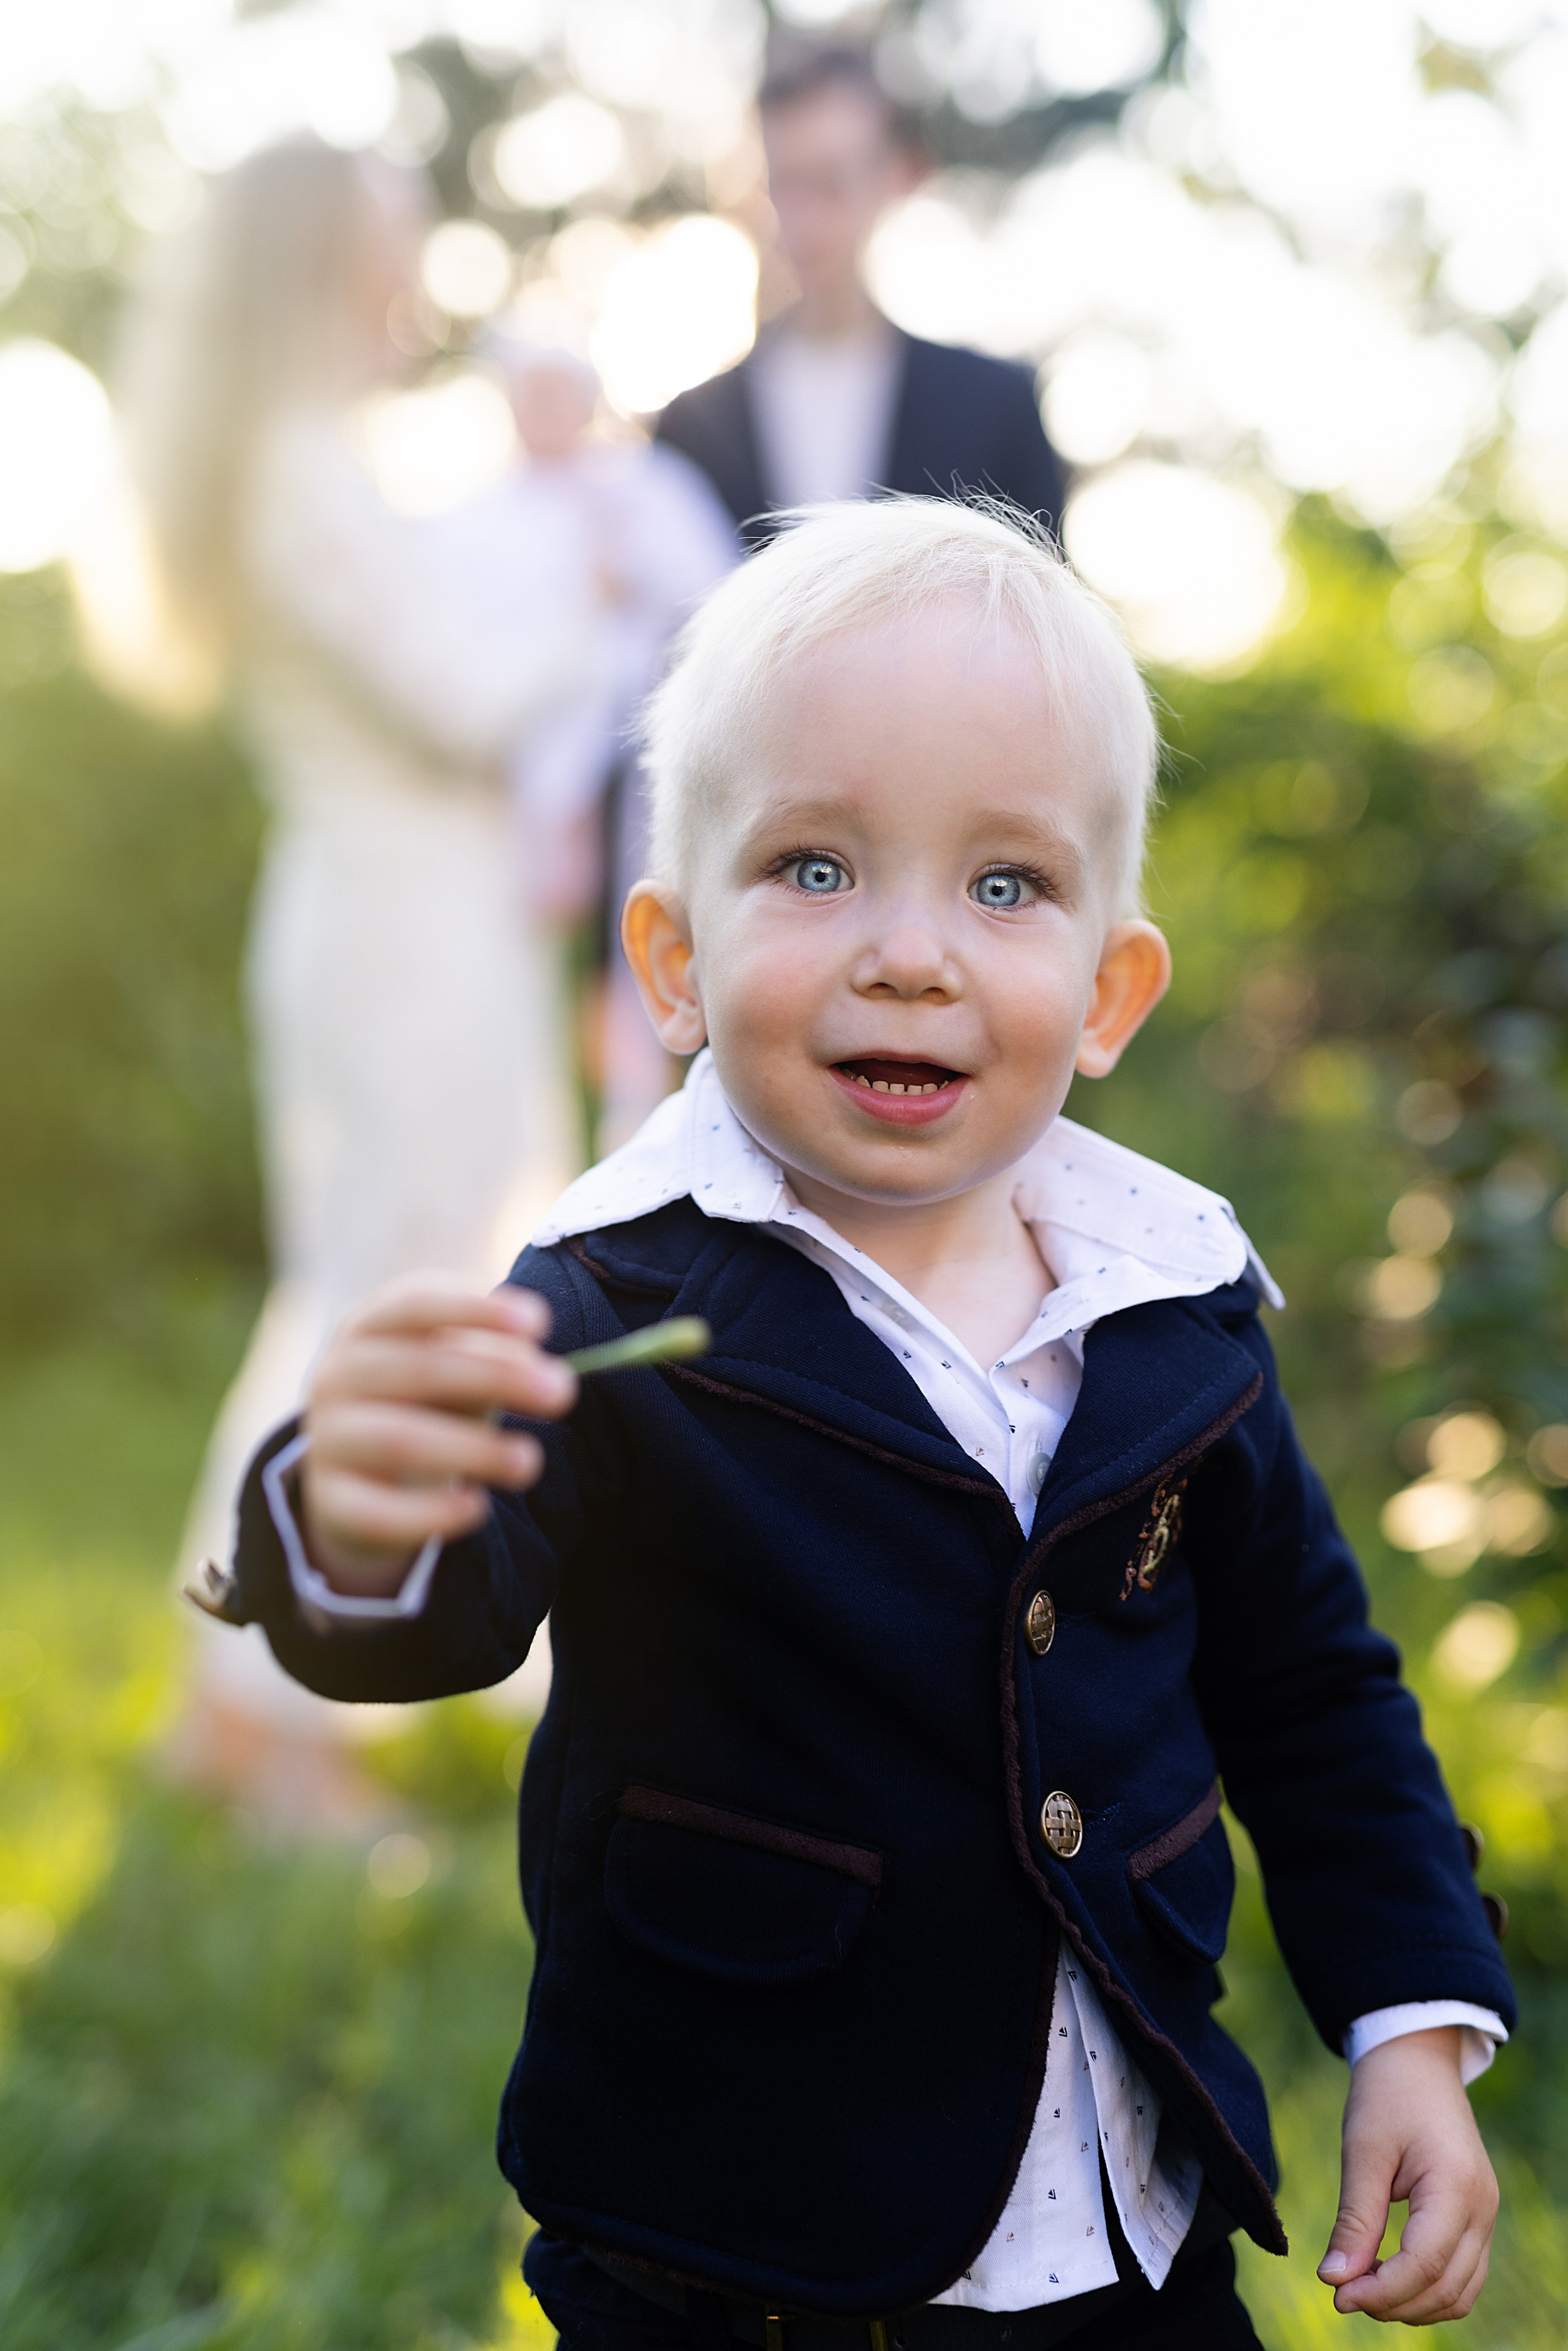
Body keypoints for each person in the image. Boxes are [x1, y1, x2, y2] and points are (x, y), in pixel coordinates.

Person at [215, 500, 1511, 2340]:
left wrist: (1408, 2021)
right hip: (736, 2236)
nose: (910, 952)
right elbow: (445, 1599)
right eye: (816, 868)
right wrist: (351, 1517)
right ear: (669, 960)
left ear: (1108, 989)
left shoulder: (1172, 1304)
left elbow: (1309, 1688)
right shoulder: (608, 1299)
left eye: (1004, 886)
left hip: (1128, 2232)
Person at [123, 138, 603, 1824]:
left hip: (413, 922)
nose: (415, 284)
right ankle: (286, 1728)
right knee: (383, 1294)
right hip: (398, 936)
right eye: (393, 251)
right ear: (328, 266)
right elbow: (462, 698)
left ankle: (236, 1684)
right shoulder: (296, 470)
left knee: (379, 1278)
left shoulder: (315, 461)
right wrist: (609, 602)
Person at [450, 342, 737, 1142]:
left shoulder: (644, 490)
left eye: (558, 393)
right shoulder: (478, 516)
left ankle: (637, 1128)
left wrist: (630, 577)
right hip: (508, 775)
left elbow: (721, 590)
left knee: (641, 935)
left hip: (641, 760)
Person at [657, 48, 1066, 543]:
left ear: (892, 179)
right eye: (787, 185)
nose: (806, 219)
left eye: (833, 183)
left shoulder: (996, 409)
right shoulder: (693, 428)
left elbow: (1044, 606)